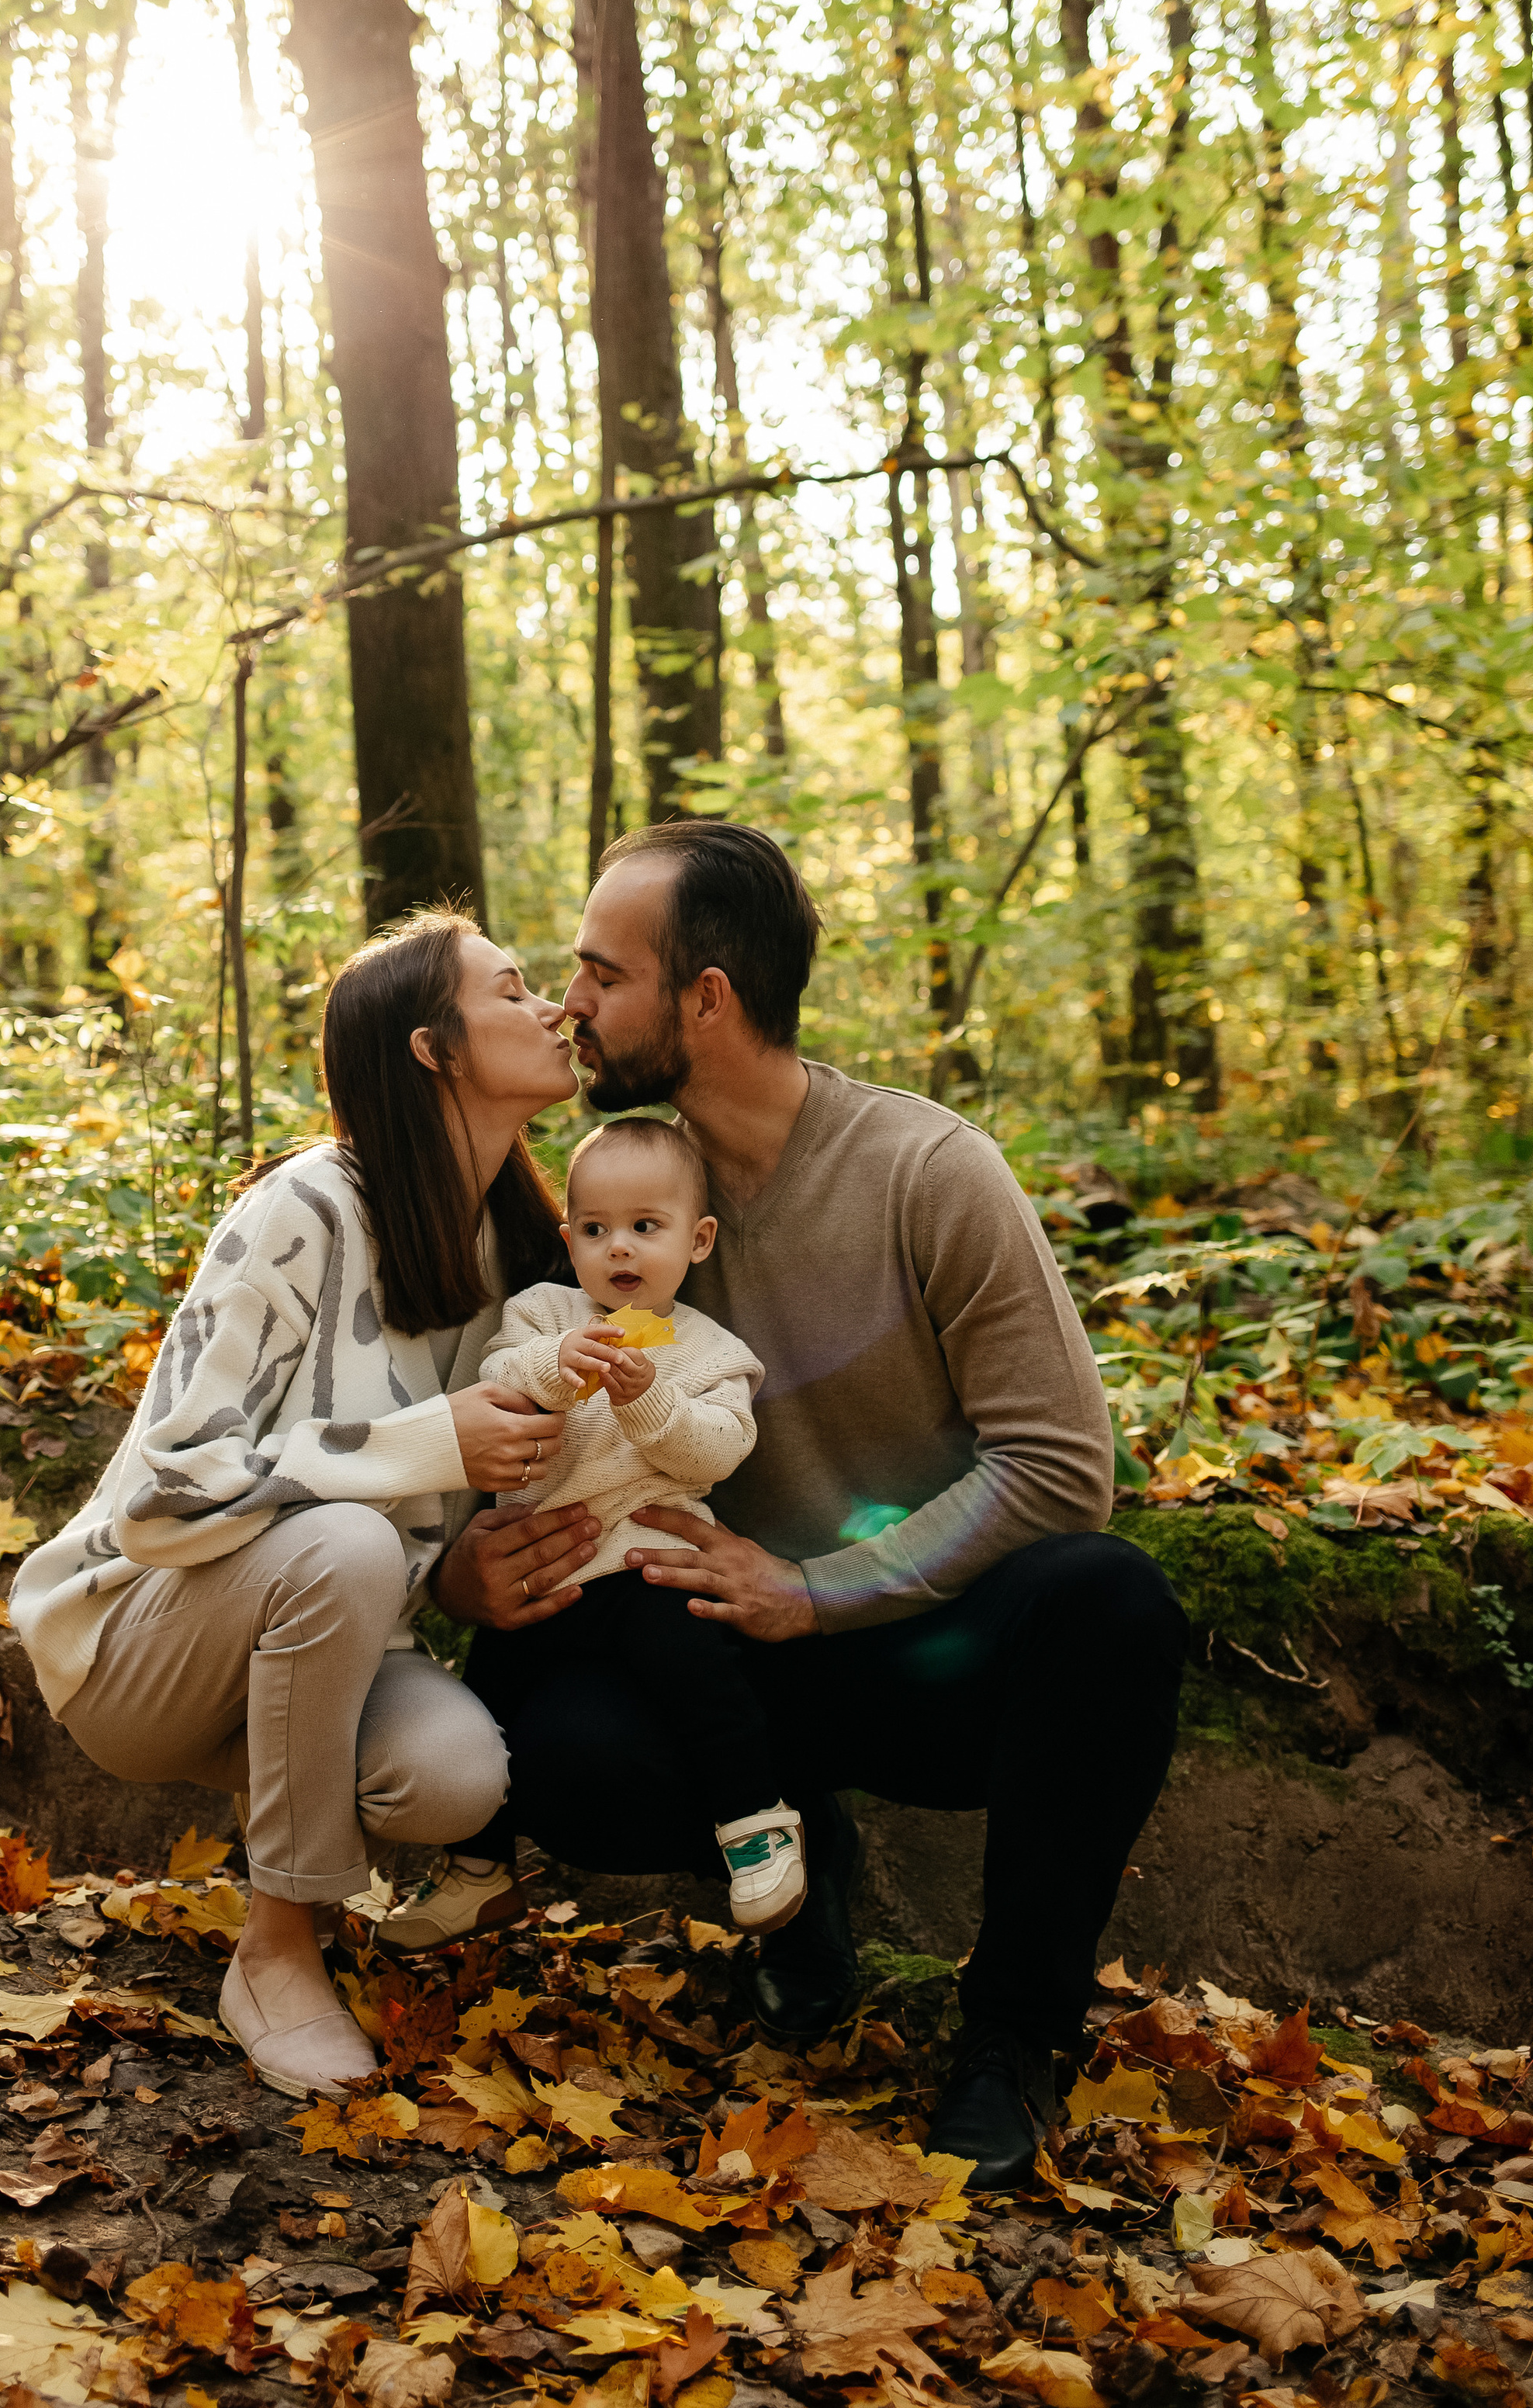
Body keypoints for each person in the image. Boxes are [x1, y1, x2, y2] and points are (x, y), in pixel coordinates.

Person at [429, 823, 1189, 2190]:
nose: (571, 1003)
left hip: (920, 1647)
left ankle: (1013, 2032)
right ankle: (801, 1859)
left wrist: (820, 1590)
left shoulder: (928, 1172)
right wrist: (458, 1573)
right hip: (716, 1664)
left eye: (604, 973)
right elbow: (507, 1436)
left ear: (707, 998)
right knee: (551, 1747)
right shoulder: (614, 1205)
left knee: (1112, 1601)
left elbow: (1064, 1464)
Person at [10, 911, 578, 2099]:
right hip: (136, 1641)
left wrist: (458, 1574)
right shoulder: (305, 1207)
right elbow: (169, 1492)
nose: (554, 1007)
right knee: (345, 1543)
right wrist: (433, 1441)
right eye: (513, 989)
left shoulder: (517, 1253)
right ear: (434, 1048)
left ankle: (304, 1868)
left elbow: (412, 1536)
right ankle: (277, 1952)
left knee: (452, 1778)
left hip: (327, 1638)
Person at [375, 1114, 800, 1953]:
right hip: (542, 1576)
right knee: (491, 1696)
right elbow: (500, 1378)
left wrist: (649, 1398)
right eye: (597, 1230)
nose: (620, 1249)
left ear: (698, 1240)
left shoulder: (713, 1352)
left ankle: (756, 1822)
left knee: (703, 1681)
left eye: (646, 1226)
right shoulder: (544, 1315)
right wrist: (557, 1364)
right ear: (569, 1241)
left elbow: (720, 1449)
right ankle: (478, 1871)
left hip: (649, 1565)